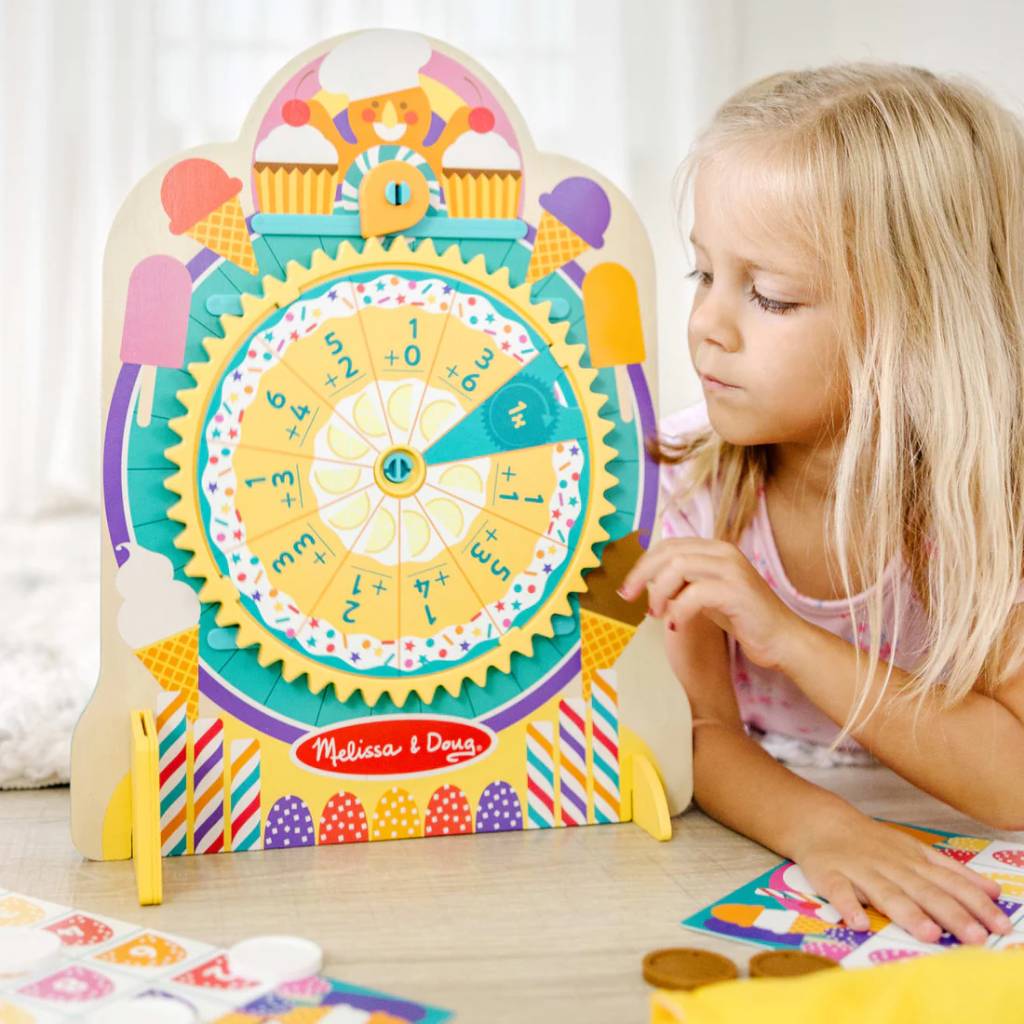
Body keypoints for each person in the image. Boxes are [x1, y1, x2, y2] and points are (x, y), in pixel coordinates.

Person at [620, 63, 1024, 946]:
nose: (707, 325)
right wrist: (826, 831)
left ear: (921, 323)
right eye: (702, 274)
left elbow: (1015, 784)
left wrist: (789, 639)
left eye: (769, 295)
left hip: (950, 820)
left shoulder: (991, 500)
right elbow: (694, 731)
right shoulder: (686, 477)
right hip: (775, 818)